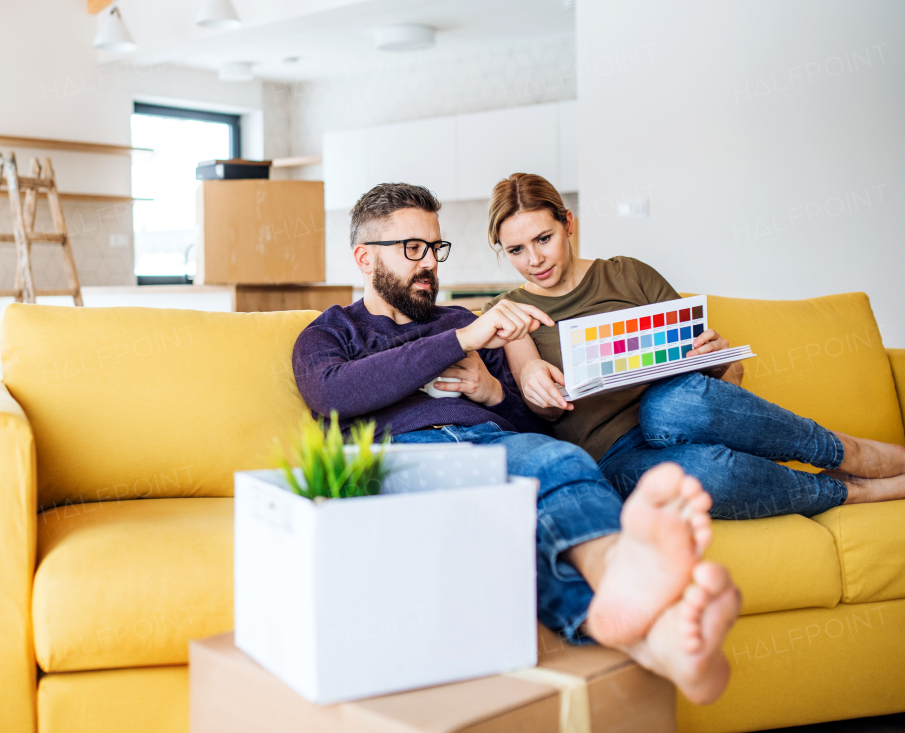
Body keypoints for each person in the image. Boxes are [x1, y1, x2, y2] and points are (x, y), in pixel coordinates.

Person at [292, 182, 741, 705]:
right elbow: (332, 393)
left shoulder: (463, 319)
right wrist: (458, 343)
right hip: (406, 458)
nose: (429, 264)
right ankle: (652, 626)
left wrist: (492, 391)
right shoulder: (333, 332)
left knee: (559, 460)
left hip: (493, 445)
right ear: (364, 258)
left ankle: (648, 620)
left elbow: (532, 417)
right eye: (412, 248)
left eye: (436, 248)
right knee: (491, 523)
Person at [484, 172, 905, 518]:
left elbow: (730, 383)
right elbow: (532, 391)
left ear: (569, 224)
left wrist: (717, 358)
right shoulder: (509, 311)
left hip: (679, 414)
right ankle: (846, 491)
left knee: (668, 406)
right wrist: (537, 384)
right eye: (516, 250)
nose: (534, 260)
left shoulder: (629, 275)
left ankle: (844, 451)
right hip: (612, 457)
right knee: (706, 475)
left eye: (543, 239)